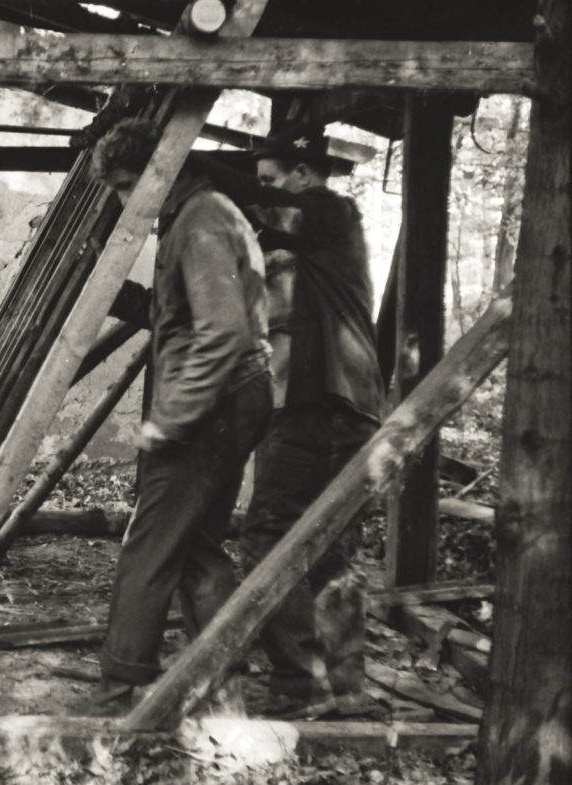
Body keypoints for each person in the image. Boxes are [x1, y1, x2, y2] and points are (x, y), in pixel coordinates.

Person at [195, 125, 385, 718]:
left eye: (272, 179)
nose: (264, 191)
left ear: (304, 174)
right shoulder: (295, 245)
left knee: (270, 537)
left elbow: (265, 209)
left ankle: (302, 683)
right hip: (328, 407)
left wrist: (193, 170)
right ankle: (341, 687)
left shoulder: (331, 212)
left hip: (321, 407)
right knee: (327, 549)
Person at [87, 119, 273, 714]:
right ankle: (222, 684)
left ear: (159, 171)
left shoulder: (201, 221)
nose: (122, 200)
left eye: (125, 185)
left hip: (215, 404)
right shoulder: (194, 217)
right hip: (229, 398)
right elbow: (175, 315)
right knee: (195, 545)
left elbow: (224, 331)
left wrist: (174, 417)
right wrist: (106, 283)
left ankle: (119, 691)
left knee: (149, 542)